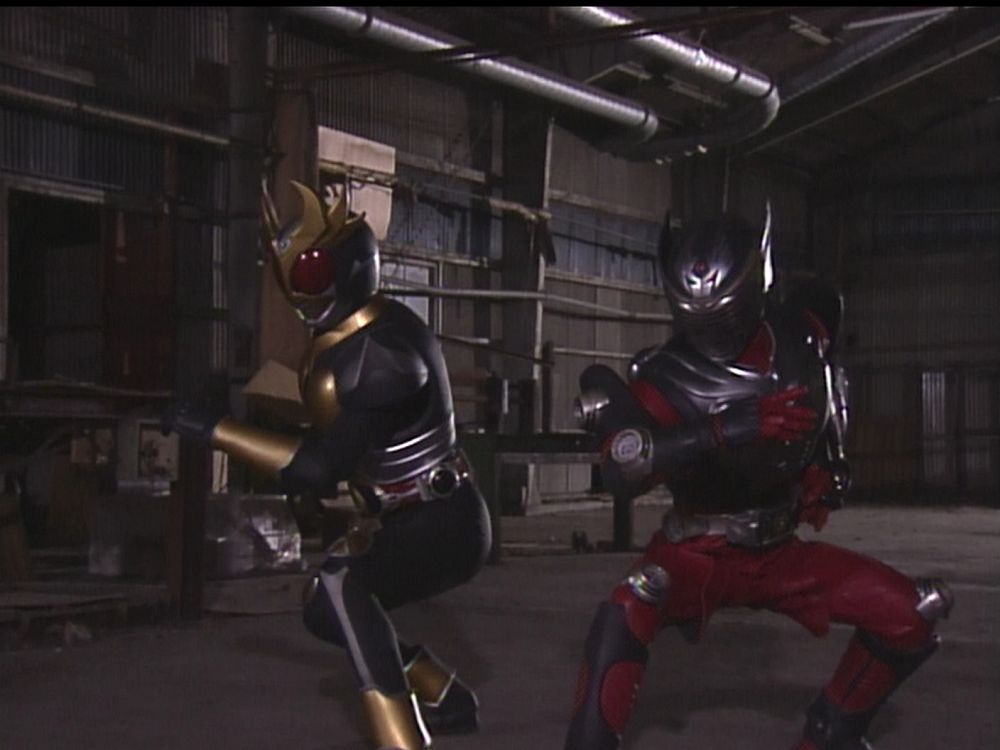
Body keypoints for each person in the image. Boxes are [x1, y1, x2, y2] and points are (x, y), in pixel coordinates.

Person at [564, 207, 953, 750]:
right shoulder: (665, 377)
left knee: (913, 612)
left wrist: (824, 467)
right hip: (695, 552)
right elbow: (625, 468)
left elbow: (825, 391)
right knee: (627, 608)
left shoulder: (802, 334)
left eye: (723, 310)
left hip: (778, 551)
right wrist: (720, 431)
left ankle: (831, 736)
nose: (712, 328)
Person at [163, 181, 491, 750]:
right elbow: (335, 439)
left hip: (442, 522)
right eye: (290, 272)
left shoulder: (381, 352)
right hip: (407, 514)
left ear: (349, 270)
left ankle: (401, 741)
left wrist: (214, 429)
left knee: (343, 584)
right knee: (324, 608)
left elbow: (319, 469)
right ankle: (443, 694)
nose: (298, 288)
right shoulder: (354, 332)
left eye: (310, 272)